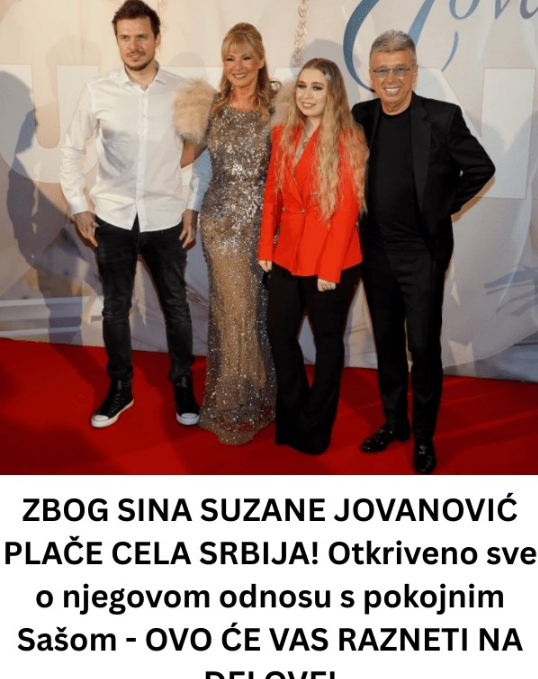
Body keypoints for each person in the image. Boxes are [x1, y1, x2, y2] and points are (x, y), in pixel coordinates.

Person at [60, 0, 209, 429]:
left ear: (157, 38)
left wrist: (192, 207)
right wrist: (79, 206)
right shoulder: (97, 91)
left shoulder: (182, 92)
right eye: (125, 37)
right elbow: (70, 150)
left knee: (176, 307)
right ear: (117, 41)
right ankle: (120, 388)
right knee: (114, 309)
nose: (134, 45)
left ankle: (183, 385)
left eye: (142, 36)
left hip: (165, 217)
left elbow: (201, 154)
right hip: (112, 218)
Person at [351, 30, 495, 474]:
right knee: (387, 342)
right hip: (375, 252)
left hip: (421, 254)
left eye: (400, 68)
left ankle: (424, 436)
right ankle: (395, 422)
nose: (390, 78)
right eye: (382, 70)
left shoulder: (442, 117)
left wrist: (441, 207)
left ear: (414, 72)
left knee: (422, 346)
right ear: (371, 75)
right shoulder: (361, 116)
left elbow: (481, 167)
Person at [258, 58, 368, 455]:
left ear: (332, 93)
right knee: (278, 333)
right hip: (287, 252)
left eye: (317, 88)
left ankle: (316, 426)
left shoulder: (349, 139)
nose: (306, 95)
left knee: (327, 341)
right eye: (302, 86)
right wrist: (265, 247)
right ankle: (293, 414)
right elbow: (272, 193)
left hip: (331, 258)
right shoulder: (283, 133)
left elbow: (347, 208)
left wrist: (330, 267)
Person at [174, 23, 277, 445]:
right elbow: (191, 162)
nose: (238, 66)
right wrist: (190, 210)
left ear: (260, 60)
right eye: (230, 58)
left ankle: (259, 393)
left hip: (262, 225)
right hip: (221, 225)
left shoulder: (276, 110)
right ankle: (234, 401)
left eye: (246, 57)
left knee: (254, 312)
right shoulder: (212, 109)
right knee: (232, 311)